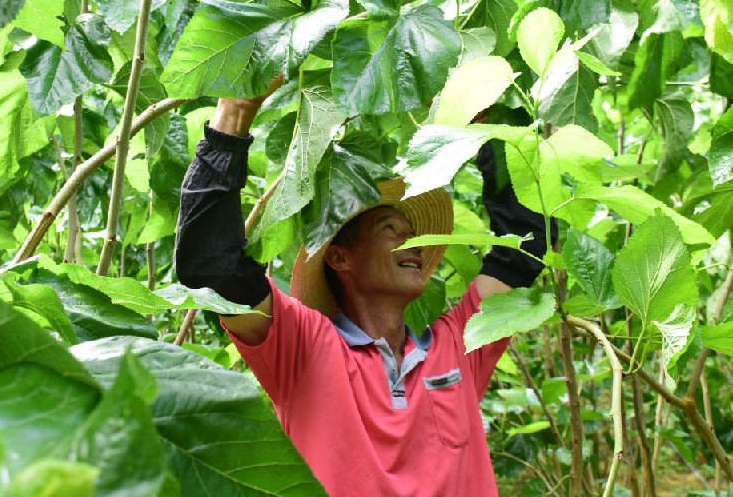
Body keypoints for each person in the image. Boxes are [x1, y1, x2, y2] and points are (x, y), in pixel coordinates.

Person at [174, 77, 554, 496]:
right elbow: (211, 270)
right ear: (339, 257)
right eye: (390, 229)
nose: (412, 243)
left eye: (414, 233)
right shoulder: (303, 348)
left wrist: (480, 128)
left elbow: (527, 245)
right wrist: (235, 114)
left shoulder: (463, 345)